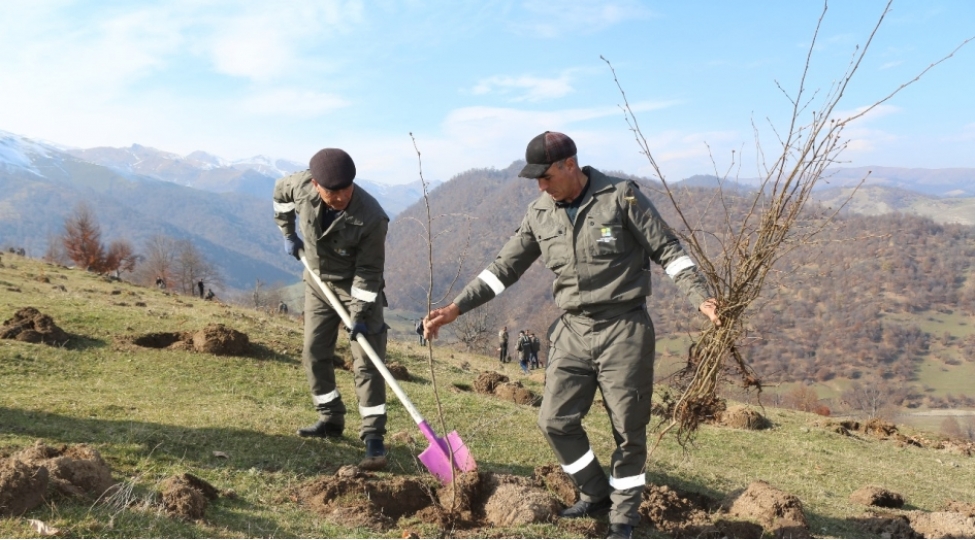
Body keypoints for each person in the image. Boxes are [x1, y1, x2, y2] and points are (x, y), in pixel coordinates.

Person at [424, 131, 720, 539]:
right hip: (573, 331)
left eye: (546, 177)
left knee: (628, 430)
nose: (541, 186)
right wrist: (456, 308)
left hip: (624, 329)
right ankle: (595, 492)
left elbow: (667, 249)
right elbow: (503, 269)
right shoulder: (539, 213)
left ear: (569, 165)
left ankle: (623, 518)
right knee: (554, 421)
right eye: (536, 181)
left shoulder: (621, 197)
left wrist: (700, 296)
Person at [273, 147, 391, 471]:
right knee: (313, 351)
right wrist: (288, 232)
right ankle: (330, 417)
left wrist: (359, 313)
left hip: (356, 287)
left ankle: (374, 440)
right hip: (317, 283)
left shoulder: (372, 217)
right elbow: (279, 195)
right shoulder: (300, 186)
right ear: (316, 184)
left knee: (367, 363)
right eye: (332, 191)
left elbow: (369, 272)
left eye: (345, 189)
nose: (339, 197)